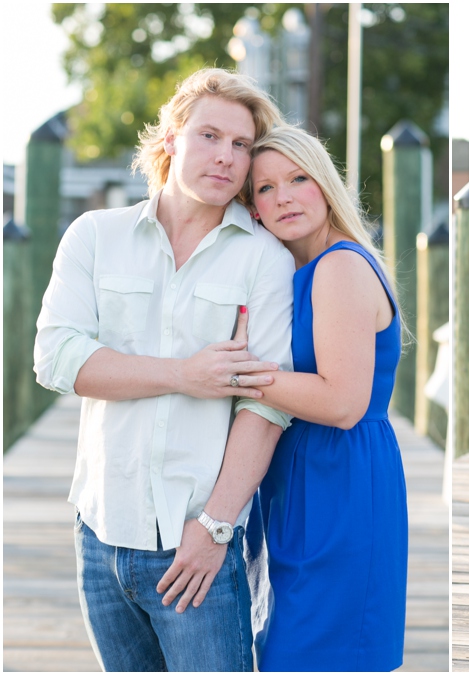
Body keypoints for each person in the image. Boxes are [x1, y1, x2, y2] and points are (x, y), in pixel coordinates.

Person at [33, 69, 294, 671]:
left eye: (241, 145)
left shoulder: (265, 261)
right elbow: (57, 357)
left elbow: (266, 405)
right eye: (209, 135)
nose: (225, 157)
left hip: (196, 541)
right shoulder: (95, 236)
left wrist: (215, 528)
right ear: (172, 137)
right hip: (98, 534)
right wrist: (184, 374)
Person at [241, 125, 408, 672]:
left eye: (297, 178)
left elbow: (342, 402)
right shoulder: (293, 269)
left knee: (322, 652)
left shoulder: (340, 266)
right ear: (254, 209)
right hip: (299, 476)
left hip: (340, 478)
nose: (283, 196)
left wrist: (231, 373)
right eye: (264, 189)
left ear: (325, 184)